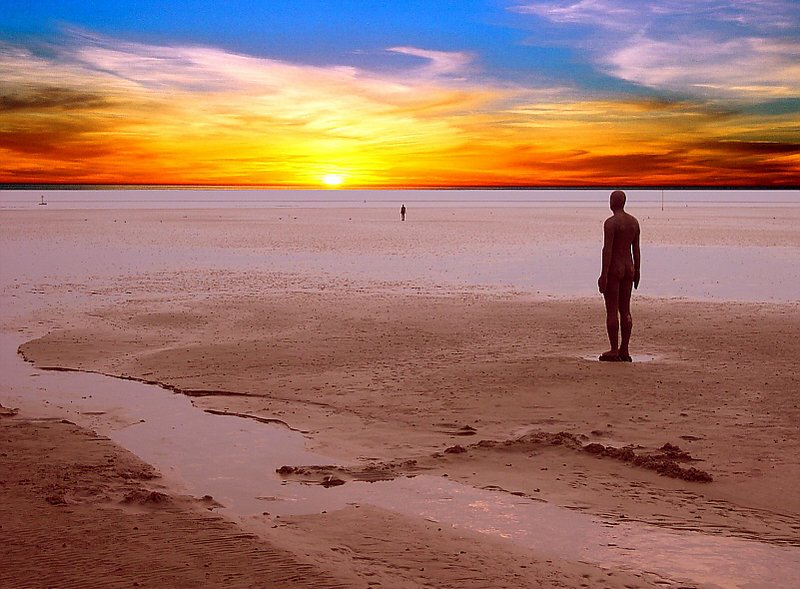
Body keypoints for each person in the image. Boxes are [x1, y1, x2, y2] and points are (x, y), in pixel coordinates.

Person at [598, 190, 640, 362]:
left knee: (612, 309)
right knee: (625, 309)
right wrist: (637, 271)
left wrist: (603, 274)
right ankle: (625, 349)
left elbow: (607, 250)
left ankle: (615, 349)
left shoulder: (611, 223)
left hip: (615, 268)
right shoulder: (634, 223)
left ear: (613, 202)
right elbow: (636, 250)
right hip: (629, 267)